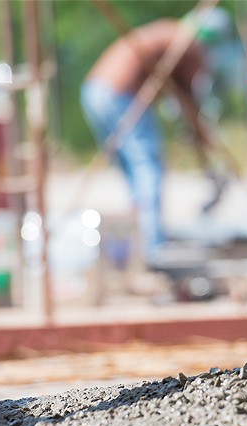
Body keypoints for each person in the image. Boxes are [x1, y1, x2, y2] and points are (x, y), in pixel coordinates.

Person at [80, 18, 212, 266]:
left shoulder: (169, 35)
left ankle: (140, 238)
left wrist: (197, 130)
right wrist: (200, 132)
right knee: (147, 167)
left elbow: (182, 93)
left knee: (133, 174)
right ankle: (152, 247)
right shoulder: (189, 44)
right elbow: (188, 93)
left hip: (94, 91)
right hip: (120, 93)